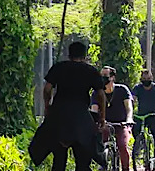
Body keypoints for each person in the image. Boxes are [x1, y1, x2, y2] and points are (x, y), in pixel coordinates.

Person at [29, 41, 107, 171]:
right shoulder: (90, 70)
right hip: (81, 117)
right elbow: (100, 95)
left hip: (59, 116)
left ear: (69, 54)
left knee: (58, 161)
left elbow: (47, 89)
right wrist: (102, 117)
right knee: (83, 161)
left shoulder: (59, 67)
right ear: (85, 55)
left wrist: (48, 107)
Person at [91, 66, 133, 171]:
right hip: (105, 124)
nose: (102, 78)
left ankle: (125, 168)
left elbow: (129, 107)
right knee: (99, 142)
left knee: (122, 145)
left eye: (105, 76)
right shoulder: (97, 93)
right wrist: (94, 121)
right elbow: (94, 109)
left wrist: (128, 120)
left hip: (121, 124)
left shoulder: (122, 90)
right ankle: (102, 163)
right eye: (101, 76)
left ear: (112, 77)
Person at [133, 69, 155, 171]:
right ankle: (139, 148)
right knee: (135, 130)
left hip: (153, 115)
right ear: (141, 79)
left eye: (148, 78)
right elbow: (132, 100)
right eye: (144, 79)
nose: (146, 80)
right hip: (140, 116)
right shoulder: (137, 88)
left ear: (152, 78)